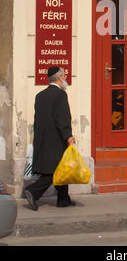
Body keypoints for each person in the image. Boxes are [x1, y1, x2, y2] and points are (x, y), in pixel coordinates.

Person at [23, 66, 76, 211]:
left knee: (61, 168)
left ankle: (63, 199)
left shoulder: (39, 96)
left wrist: (36, 138)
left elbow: (37, 119)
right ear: (59, 78)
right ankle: (33, 192)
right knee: (56, 170)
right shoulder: (61, 95)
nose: (65, 78)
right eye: (64, 76)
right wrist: (68, 136)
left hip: (43, 138)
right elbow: (63, 118)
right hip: (57, 139)